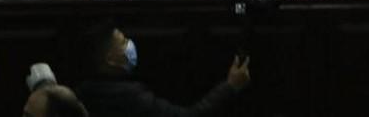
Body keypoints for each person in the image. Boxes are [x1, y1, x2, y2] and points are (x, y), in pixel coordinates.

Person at [74, 25, 249, 117]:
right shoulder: (134, 98)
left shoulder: (80, 95)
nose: (130, 44)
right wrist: (230, 86)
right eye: (123, 42)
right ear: (110, 59)